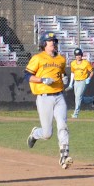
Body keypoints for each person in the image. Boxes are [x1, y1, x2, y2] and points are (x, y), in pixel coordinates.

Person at [25, 31, 73, 169]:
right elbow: (27, 76)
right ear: (44, 44)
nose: (54, 43)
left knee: (62, 124)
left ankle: (64, 156)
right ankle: (35, 134)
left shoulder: (61, 59)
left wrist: (65, 78)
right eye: (51, 41)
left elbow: (62, 73)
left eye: (55, 41)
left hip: (59, 96)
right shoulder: (38, 58)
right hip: (44, 97)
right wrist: (42, 80)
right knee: (47, 134)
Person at [65, 48, 94, 119]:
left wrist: (89, 78)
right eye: (76, 55)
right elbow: (72, 73)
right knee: (79, 98)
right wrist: (70, 84)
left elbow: (92, 71)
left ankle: (75, 114)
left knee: (78, 97)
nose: (78, 56)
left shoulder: (86, 63)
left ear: (81, 55)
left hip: (83, 81)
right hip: (76, 82)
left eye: (79, 55)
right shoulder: (73, 63)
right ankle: (92, 99)